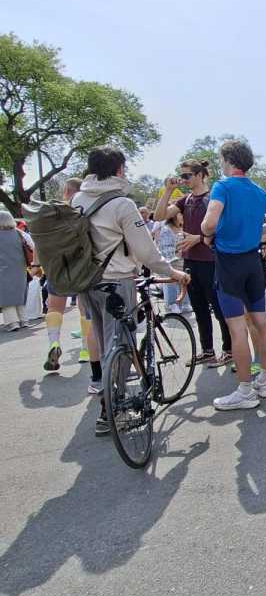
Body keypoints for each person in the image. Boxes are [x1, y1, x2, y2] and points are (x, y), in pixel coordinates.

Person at [72, 146, 190, 436]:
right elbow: (146, 252)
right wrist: (173, 273)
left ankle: (107, 395)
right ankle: (113, 407)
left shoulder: (78, 199)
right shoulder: (121, 204)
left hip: (87, 281)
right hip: (117, 280)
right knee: (120, 345)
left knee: (103, 342)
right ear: (120, 170)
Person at [200, 139, 266, 411]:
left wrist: (207, 232)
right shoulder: (258, 190)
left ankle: (245, 391)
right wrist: (257, 232)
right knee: (261, 322)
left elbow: (209, 223)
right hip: (253, 262)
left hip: (229, 264)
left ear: (227, 160)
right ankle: (265, 381)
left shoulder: (223, 186)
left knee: (237, 328)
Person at [155, 160, 232, 367]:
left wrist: (198, 238)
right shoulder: (185, 200)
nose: (184, 180)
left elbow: (224, 228)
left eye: (187, 175)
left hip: (211, 261)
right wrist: (168, 191)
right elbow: (159, 215)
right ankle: (207, 351)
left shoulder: (214, 197)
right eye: (182, 176)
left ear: (200, 175)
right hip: (190, 262)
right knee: (199, 309)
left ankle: (229, 350)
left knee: (220, 309)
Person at [38, 176, 102, 388]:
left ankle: (54, 342)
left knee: (54, 308)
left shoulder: (52, 213)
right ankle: (85, 349)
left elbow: (41, 242)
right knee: (86, 312)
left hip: (57, 268)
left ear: (66, 191)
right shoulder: (83, 211)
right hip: (81, 269)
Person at [0, 209, 31, 331]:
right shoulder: (19, 233)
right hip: (20, 268)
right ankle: (24, 320)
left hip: (2, 269)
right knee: (19, 294)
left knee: (6, 296)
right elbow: (32, 246)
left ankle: (12, 323)